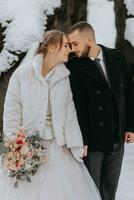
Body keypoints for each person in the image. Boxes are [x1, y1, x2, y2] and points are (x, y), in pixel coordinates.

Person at [0, 30, 101, 200]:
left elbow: (70, 115)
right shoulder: (23, 74)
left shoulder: (64, 78)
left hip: (57, 149)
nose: (69, 50)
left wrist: (77, 145)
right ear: (53, 47)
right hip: (26, 147)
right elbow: (11, 111)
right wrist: (14, 146)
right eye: (66, 45)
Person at [67, 21, 134, 200]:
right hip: (93, 142)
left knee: (110, 191)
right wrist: (83, 140)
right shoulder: (73, 67)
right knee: (89, 191)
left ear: (89, 39)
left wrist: (130, 127)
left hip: (117, 138)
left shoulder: (117, 58)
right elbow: (78, 106)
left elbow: (129, 94)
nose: (72, 49)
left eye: (75, 44)